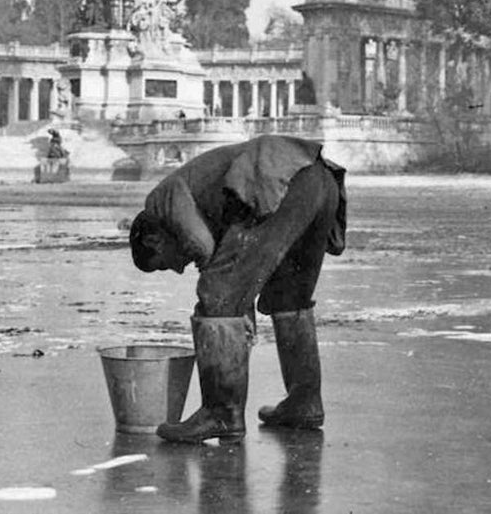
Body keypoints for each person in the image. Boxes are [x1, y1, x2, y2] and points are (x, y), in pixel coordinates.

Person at [129, 134, 346, 443]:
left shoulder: (160, 202)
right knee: (289, 297)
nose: (178, 268)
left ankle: (221, 413)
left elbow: (205, 252)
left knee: (215, 296)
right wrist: (239, 307)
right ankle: (304, 402)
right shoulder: (193, 194)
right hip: (319, 179)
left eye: (164, 263)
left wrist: (233, 307)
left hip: (277, 179)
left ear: (153, 240)